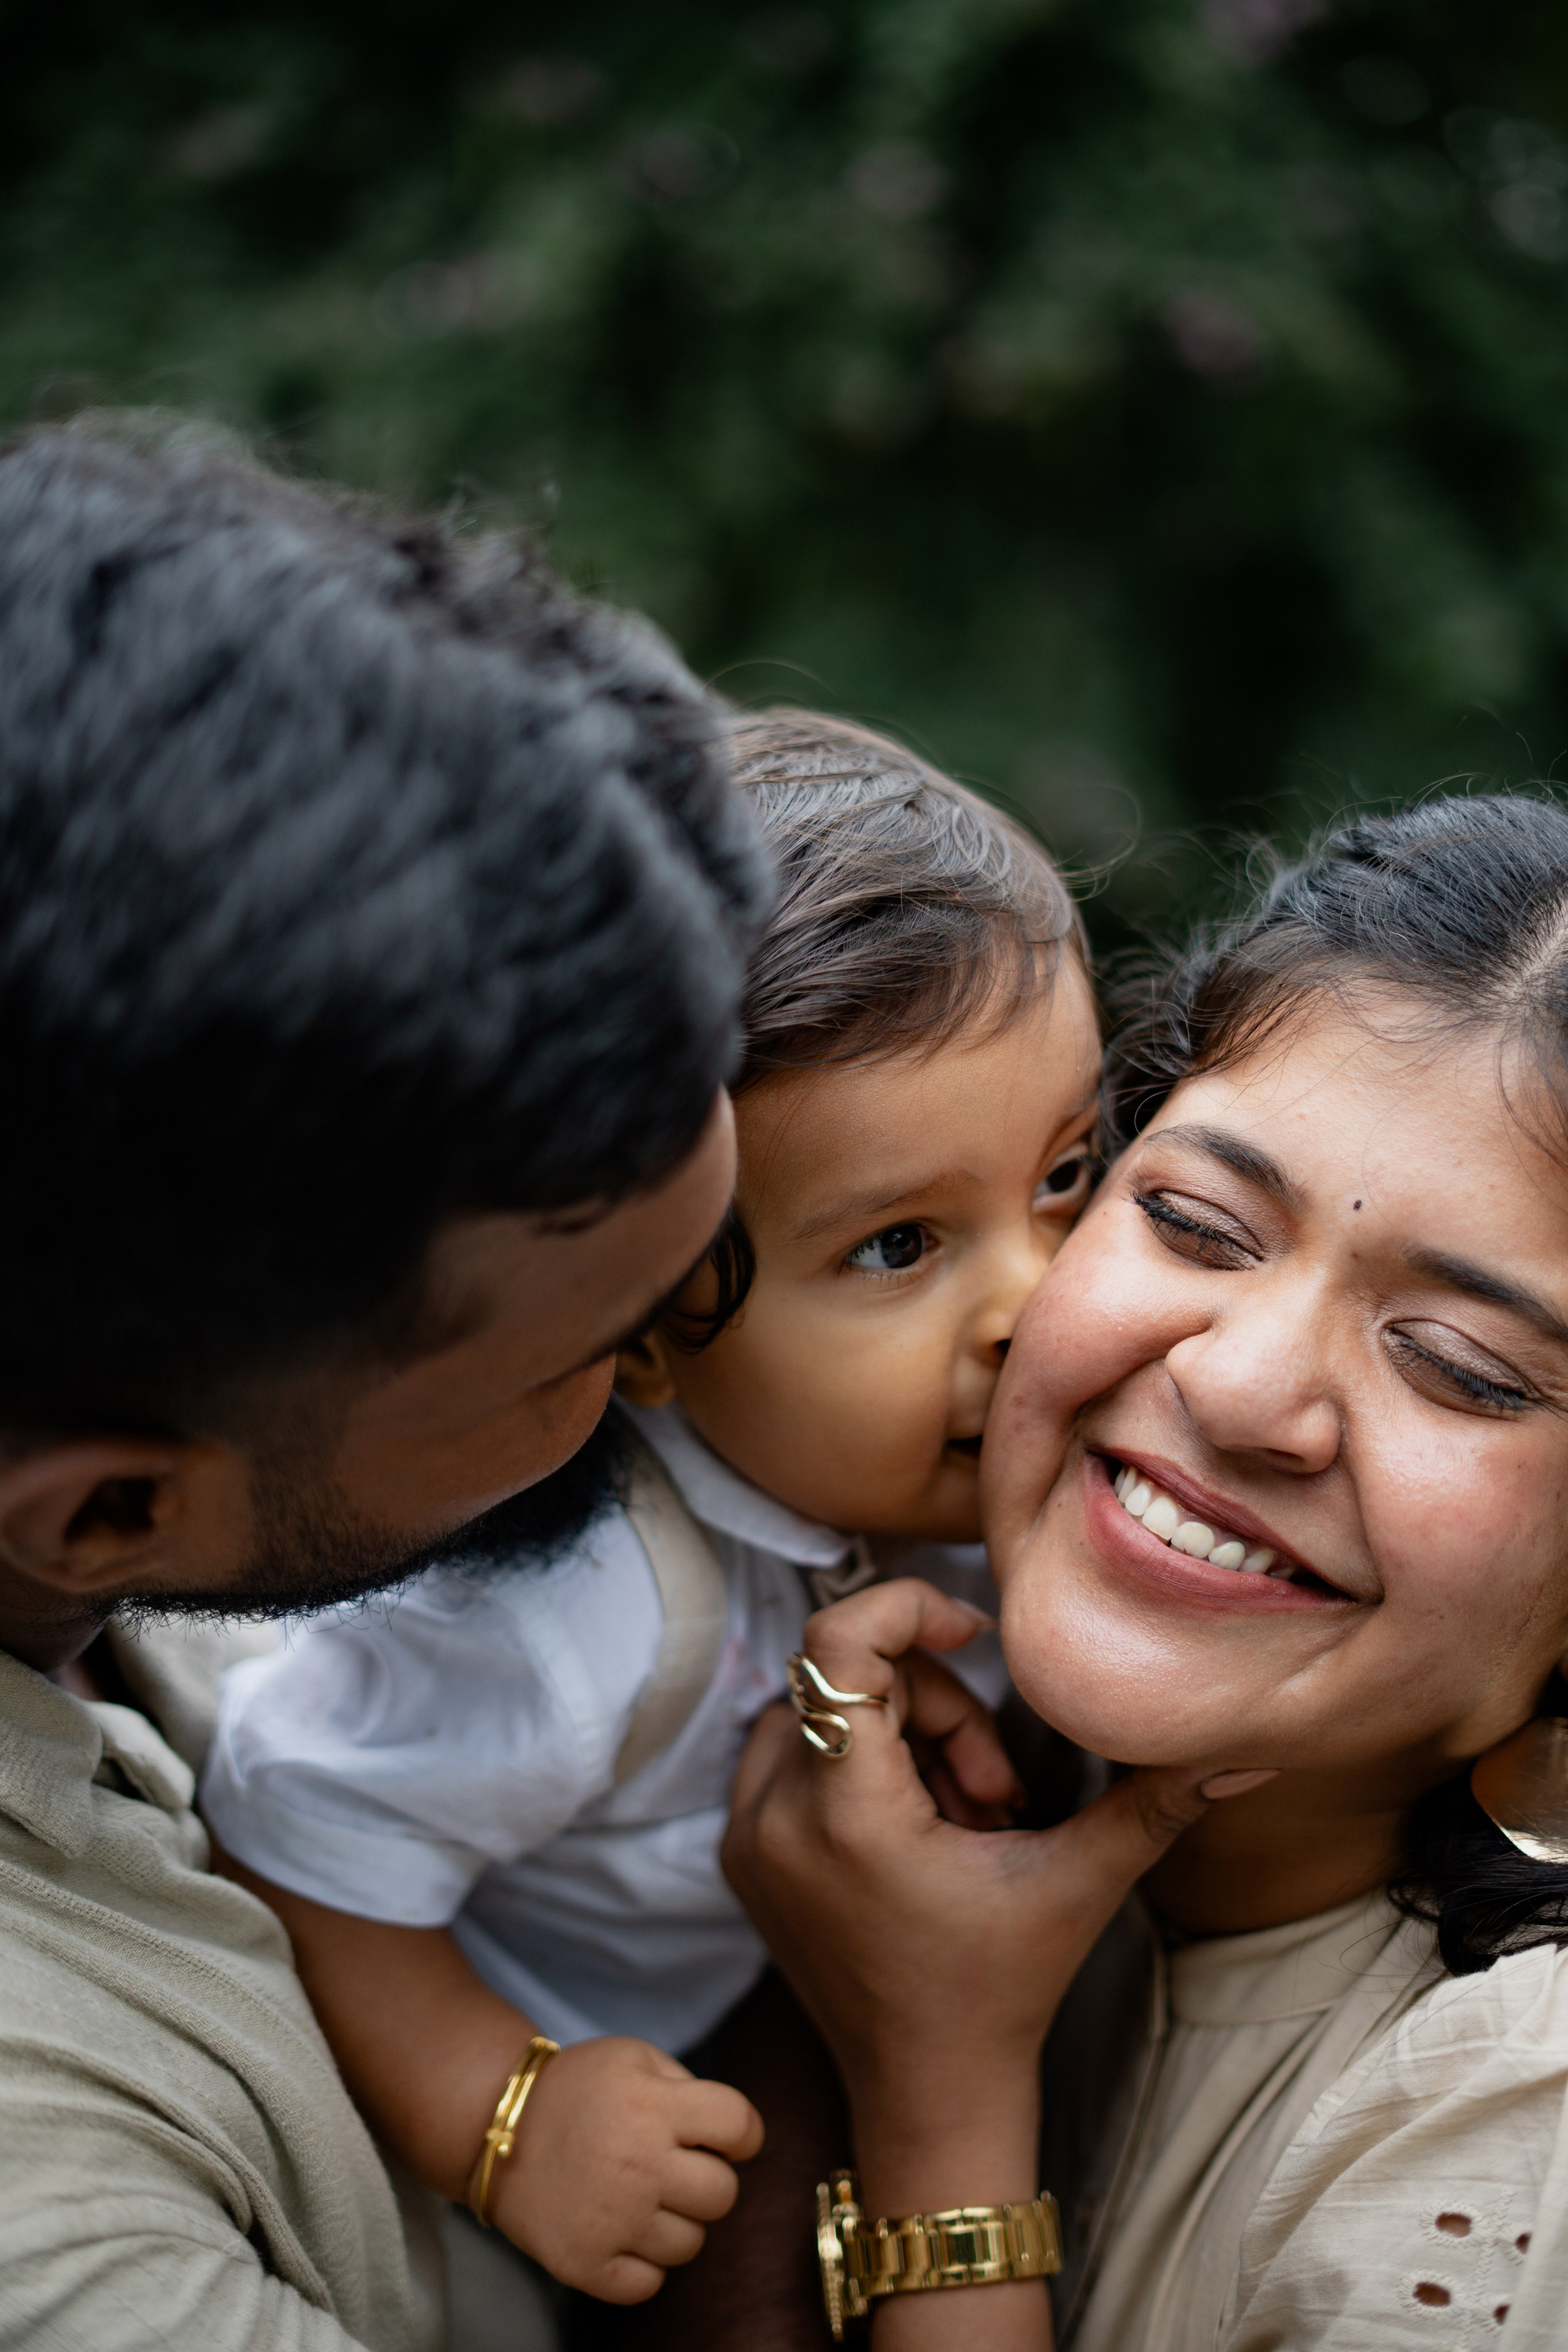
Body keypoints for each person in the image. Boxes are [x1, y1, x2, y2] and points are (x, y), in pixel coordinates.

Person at [0, 413, 772, 2352]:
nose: (689, 1403)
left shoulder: (136, 1562)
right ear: (108, 1511)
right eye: (604, 1362)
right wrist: (950, 2135)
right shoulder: (69, 2254)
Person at [200, 710, 1101, 2305]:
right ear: (642, 1330)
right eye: (898, 1247)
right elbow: (296, 1834)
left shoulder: (1011, 1451)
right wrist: (504, 2113)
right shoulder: (569, 1605)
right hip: (512, 2120)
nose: (1035, 1302)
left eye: (1067, 1174)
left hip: (774, 2011)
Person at [725, 794, 1568, 2350]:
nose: (1241, 1390)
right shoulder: (821, 1687)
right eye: (1191, 1222)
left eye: (1459, 1368)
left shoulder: (1515, 2138)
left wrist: (939, 2097)